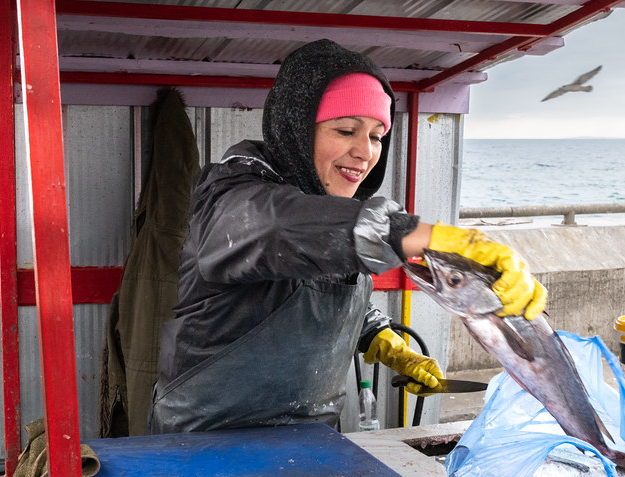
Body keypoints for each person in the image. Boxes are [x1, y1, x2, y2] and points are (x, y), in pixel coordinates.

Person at [147, 39, 546, 435]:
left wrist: (379, 336)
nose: (364, 152)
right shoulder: (233, 197)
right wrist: (421, 236)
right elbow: (281, 228)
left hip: (306, 443)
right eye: (345, 130)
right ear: (296, 129)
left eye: (376, 135)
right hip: (200, 447)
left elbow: (307, 292)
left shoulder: (326, 205)